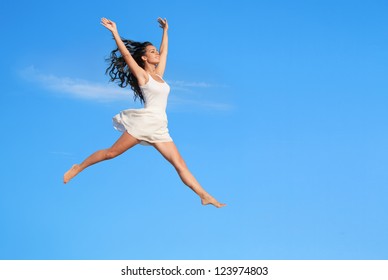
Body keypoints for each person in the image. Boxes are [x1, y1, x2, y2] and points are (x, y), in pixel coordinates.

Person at [63, 17, 226, 208]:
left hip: (160, 126)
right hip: (145, 122)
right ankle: (79, 167)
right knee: (111, 153)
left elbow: (165, 52)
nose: (156, 53)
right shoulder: (143, 76)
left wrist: (165, 31)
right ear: (144, 58)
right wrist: (115, 32)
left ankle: (204, 195)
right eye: (152, 52)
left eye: (155, 50)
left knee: (180, 164)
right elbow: (126, 56)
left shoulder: (159, 76)